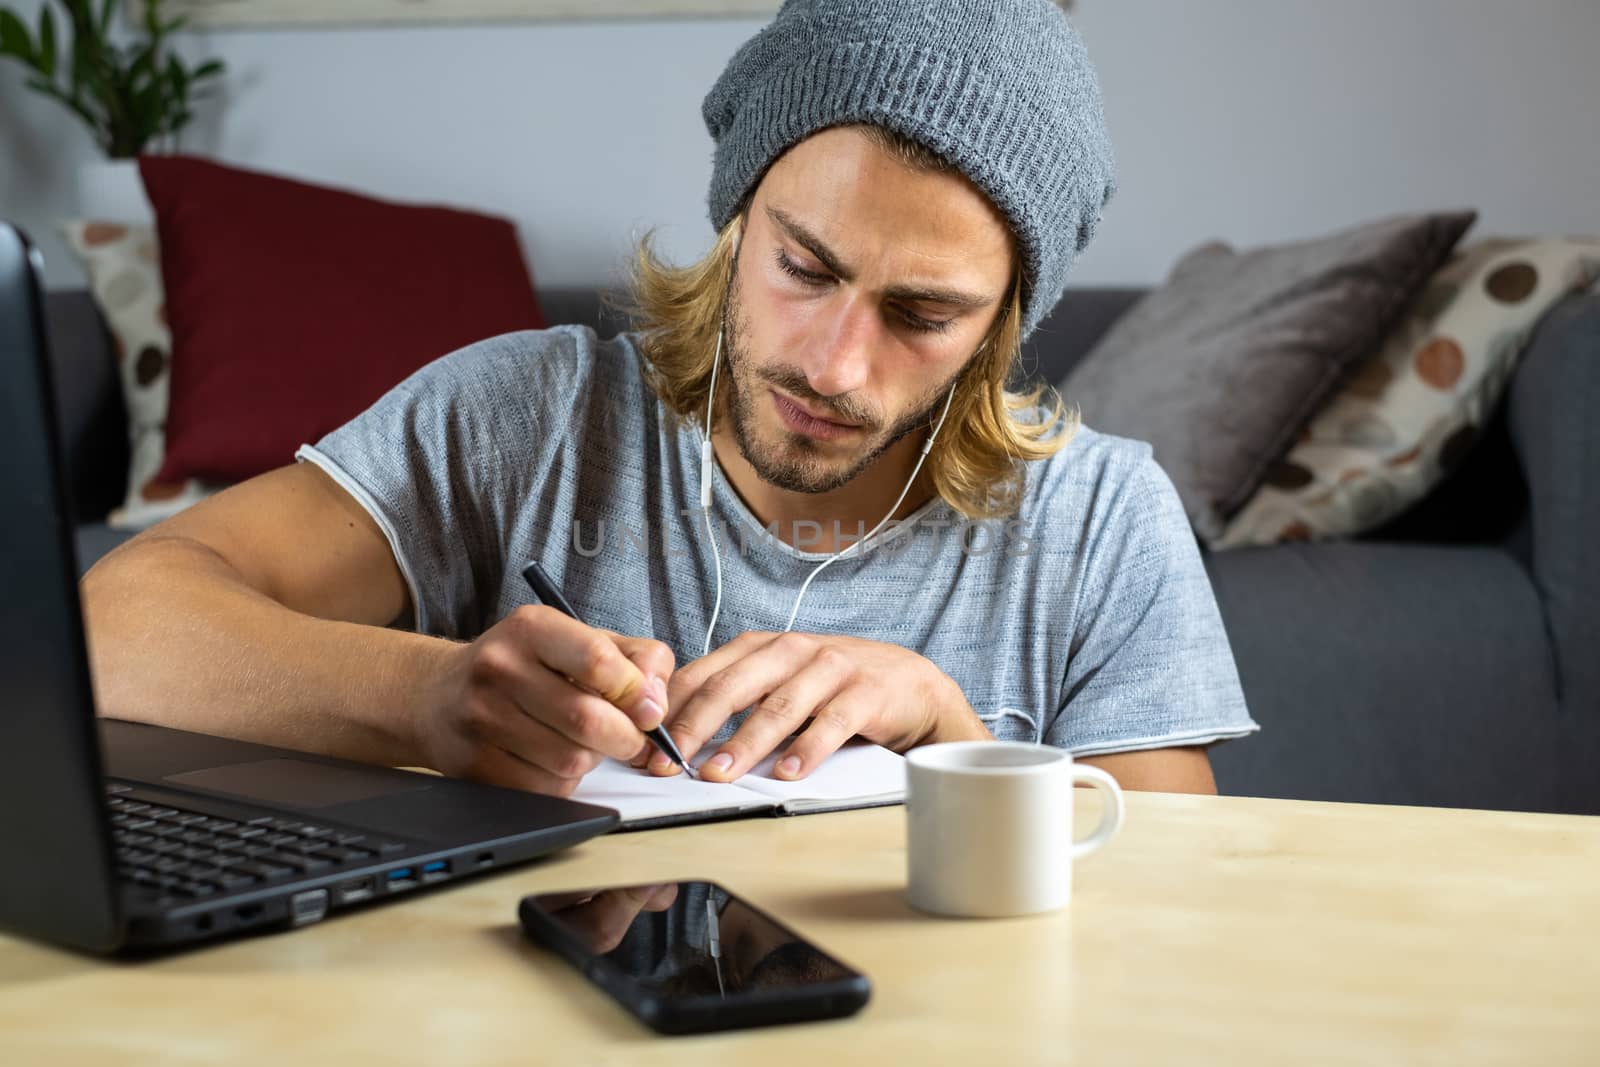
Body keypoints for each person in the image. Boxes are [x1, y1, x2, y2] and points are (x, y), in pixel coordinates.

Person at [81, 0, 1257, 801]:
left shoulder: (1101, 513)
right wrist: (429, 699)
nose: (836, 366)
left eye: (921, 314)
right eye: (804, 268)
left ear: (1004, 320)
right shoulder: (526, 417)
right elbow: (108, 633)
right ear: (737, 219)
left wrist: (952, 734)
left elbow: (1179, 899)